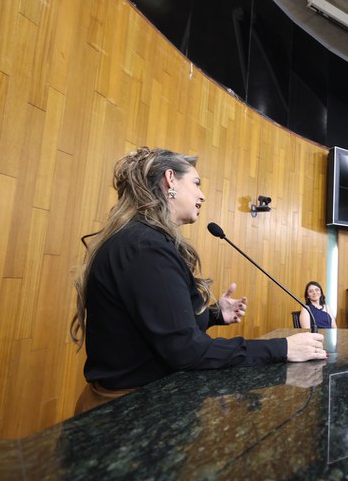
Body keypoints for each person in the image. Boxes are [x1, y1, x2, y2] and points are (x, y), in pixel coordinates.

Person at [71, 147, 326, 413]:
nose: (202, 195)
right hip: (129, 411)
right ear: (170, 179)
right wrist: (283, 348)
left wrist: (215, 315)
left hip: (141, 403)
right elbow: (186, 350)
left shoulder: (141, 239)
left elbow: (163, 324)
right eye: (196, 183)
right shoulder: (145, 246)